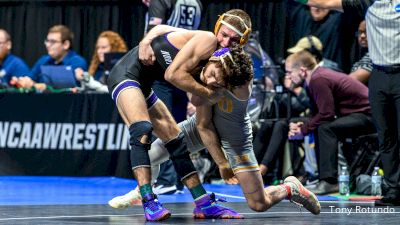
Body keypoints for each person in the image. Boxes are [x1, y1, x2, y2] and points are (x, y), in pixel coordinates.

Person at [109, 46, 321, 216]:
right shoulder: (213, 58)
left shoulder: (237, 78)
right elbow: (202, 123)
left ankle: (290, 188)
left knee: (258, 203)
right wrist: (151, 38)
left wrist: (223, 163)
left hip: (234, 137)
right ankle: (145, 191)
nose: (211, 81)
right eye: (210, 74)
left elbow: (201, 109)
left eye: (218, 81)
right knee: (150, 154)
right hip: (199, 126)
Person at [107, 9, 252, 221]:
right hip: (127, 74)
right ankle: (148, 201)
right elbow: (172, 73)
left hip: (145, 84)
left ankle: (202, 202)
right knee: (142, 130)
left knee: (177, 140)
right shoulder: (208, 39)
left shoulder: (217, 64)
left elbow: (201, 119)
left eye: (233, 39)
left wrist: (221, 163)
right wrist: (146, 40)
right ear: (218, 27)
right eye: (225, 34)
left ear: (243, 41)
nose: (225, 41)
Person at [295, 0, 400, 207]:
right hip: (379, 75)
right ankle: (394, 189)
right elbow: (324, 2)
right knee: (386, 137)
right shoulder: (367, 3)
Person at [286, 50, 376, 195]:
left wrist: (303, 131)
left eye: (289, 72)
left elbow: (326, 114)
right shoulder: (314, 79)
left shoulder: (318, 79)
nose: (288, 76)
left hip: (369, 116)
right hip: (357, 114)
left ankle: (329, 181)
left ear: (302, 70)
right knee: (320, 127)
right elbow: (317, 114)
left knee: (325, 128)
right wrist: (301, 127)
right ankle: (324, 178)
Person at [145, 0, 204, 195]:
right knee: (178, 128)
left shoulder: (161, 1)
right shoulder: (196, 3)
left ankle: (165, 179)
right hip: (185, 69)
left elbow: (153, 35)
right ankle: (179, 180)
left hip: (164, 69)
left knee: (162, 125)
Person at [12, 25, 87, 90]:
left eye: (53, 42)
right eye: (47, 41)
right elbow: (30, 78)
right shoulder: (43, 60)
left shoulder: (77, 62)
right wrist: (21, 81)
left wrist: (34, 86)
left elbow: (64, 87)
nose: (47, 45)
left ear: (66, 44)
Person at [348, 20, 372, 85]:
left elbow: (348, 83)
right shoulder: (363, 54)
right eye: (360, 32)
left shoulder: (376, 56)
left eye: (366, 32)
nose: (362, 36)